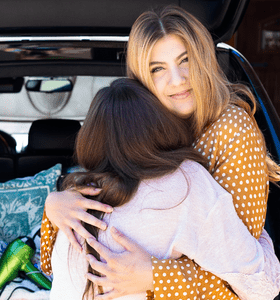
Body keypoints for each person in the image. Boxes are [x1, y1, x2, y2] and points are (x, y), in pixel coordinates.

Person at [40, 5, 280, 300]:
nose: (177, 79)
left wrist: (156, 277)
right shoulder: (138, 133)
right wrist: (54, 206)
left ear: (204, 60)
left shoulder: (232, 128)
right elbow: (58, 267)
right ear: (141, 78)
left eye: (186, 60)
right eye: (158, 69)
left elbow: (244, 276)